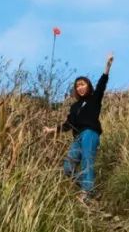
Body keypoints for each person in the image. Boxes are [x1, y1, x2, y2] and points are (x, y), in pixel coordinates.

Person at [43, 52, 114, 199]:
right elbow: (68, 124)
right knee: (68, 168)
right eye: (77, 86)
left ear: (88, 86)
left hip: (90, 134)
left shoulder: (94, 99)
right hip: (78, 137)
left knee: (87, 161)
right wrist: (52, 130)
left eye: (83, 84)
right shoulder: (74, 107)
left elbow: (102, 84)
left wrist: (107, 66)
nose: (80, 87)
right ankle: (90, 188)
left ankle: (86, 194)